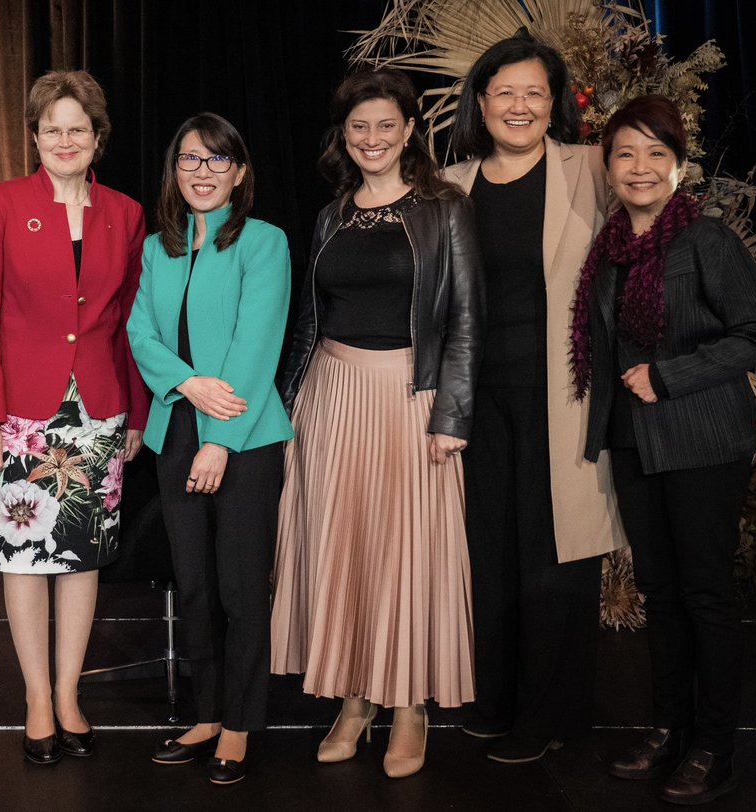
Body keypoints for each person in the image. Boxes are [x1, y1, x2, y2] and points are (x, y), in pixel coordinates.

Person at [271, 69, 484, 779]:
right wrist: (288, 402)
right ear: (344, 136)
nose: (372, 139)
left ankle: (410, 706)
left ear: (409, 131)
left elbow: (464, 320)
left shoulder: (444, 207)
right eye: (359, 127)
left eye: (385, 125)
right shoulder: (332, 214)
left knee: (405, 553)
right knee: (345, 551)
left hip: (409, 399)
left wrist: (452, 412)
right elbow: (309, 319)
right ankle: (356, 700)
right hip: (330, 396)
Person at [572, 95, 756, 805]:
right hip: (632, 442)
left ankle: (714, 746)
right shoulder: (608, 247)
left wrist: (669, 375)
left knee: (704, 595)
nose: (639, 167)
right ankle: (669, 728)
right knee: (660, 594)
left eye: (655, 153)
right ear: (608, 165)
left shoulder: (707, 241)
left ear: (679, 164)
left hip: (701, 439)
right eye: (625, 152)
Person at [443, 35, 626, 763]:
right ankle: (493, 699)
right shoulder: (451, 184)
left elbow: (655, 204)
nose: (519, 107)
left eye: (535, 93)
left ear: (556, 104)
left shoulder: (588, 168)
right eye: (504, 93)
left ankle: (550, 715)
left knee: (555, 554)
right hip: (474, 398)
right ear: (481, 102)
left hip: (565, 393)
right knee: (486, 551)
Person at [0, 70, 149, 765]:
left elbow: (132, 320)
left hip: (99, 410)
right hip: (17, 414)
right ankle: (37, 697)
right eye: (51, 129)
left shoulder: (125, 213)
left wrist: (137, 412)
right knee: (23, 557)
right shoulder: (0, 205)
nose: (63, 140)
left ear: (97, 137)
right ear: (34, 136)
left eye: (77, 129)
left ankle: (69, 692)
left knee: (82, 558)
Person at [128, 113, 292, 786]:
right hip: (176, 431)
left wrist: (219, 441)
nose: (203, 172)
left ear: (240, 173)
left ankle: (240, 724)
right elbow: (140, 334)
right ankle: (206, 711)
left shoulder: (264, 242)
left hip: (246, 438)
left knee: (240, 589)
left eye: (217, 161)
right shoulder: (155, 248)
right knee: (193, 586)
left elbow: (258, 346)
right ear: (175, 171)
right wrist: (186, 382)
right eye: (191, 160)